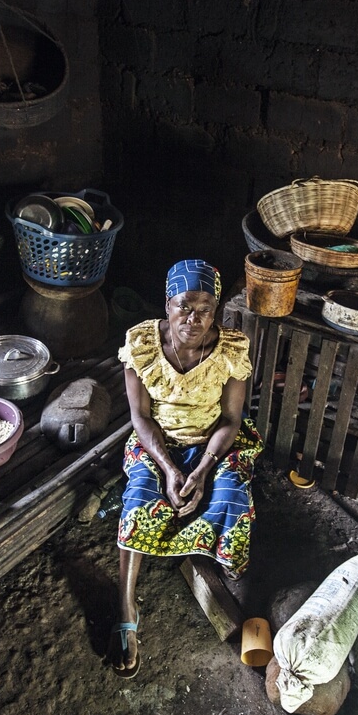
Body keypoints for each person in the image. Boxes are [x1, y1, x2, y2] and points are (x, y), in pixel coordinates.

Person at [111, 259, 263, 678]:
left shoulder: (230, 350)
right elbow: (140, 418)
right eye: (184, 307)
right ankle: (126, 607)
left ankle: (222, 561)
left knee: (232, 495)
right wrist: (168, 468)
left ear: (216, 311)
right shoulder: (141, 343)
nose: (193, 319)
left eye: (205, 309)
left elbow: (231, 420)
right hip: (157, 444)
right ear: (167, 304)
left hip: (213, 442)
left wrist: (200, 471)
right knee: (139, 501)